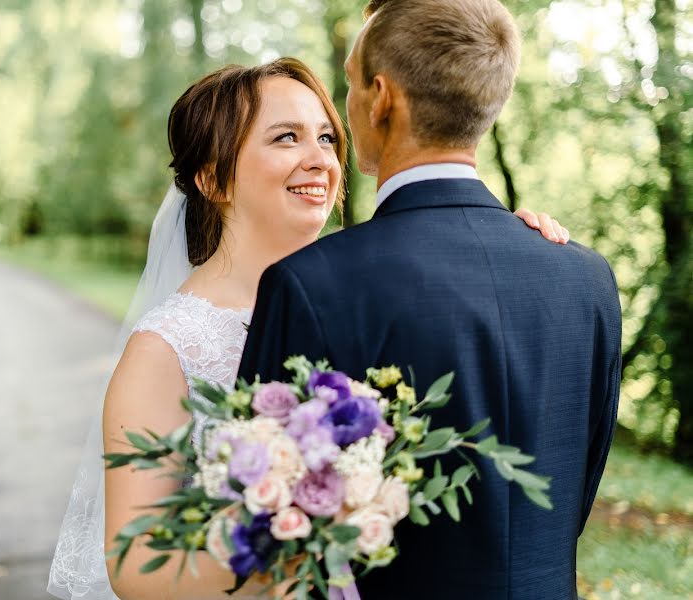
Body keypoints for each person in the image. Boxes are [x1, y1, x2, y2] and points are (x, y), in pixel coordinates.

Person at [48, 55, 568, 600]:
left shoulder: (366, 295)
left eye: (325, 137)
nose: (319, 159)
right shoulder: (166, 349)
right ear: (212, 178)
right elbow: (137, 568)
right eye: (286, 138)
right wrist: (296, 538)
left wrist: (514, 249)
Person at [237, 1, 622, 599]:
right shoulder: (588, 278)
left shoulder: (310, 284)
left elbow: (266, 529)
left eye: (349, 84)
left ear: (382, 97)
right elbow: (572, 499)